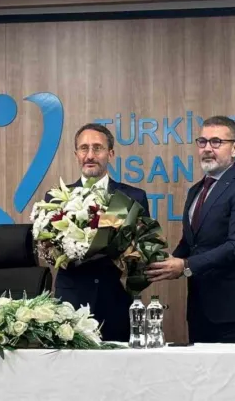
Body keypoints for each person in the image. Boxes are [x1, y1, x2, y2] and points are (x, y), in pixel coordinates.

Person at [146, 115, 235, 344]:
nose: (208, 149)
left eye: (216, 142)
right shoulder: (196, 190)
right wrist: (159, 264)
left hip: (233, 311)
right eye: (202, 142)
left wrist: (185, 265)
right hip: (199, 309)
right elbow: (191, 244)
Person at [45, 123, 150, 342]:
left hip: (115, 301)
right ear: (76, 154)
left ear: (110, 153)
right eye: (84, 148)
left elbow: (143, 249)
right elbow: (49, 251)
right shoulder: (56, 198)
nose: (90, 155)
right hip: (71, 302)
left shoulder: (132, 197)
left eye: (98, 148)